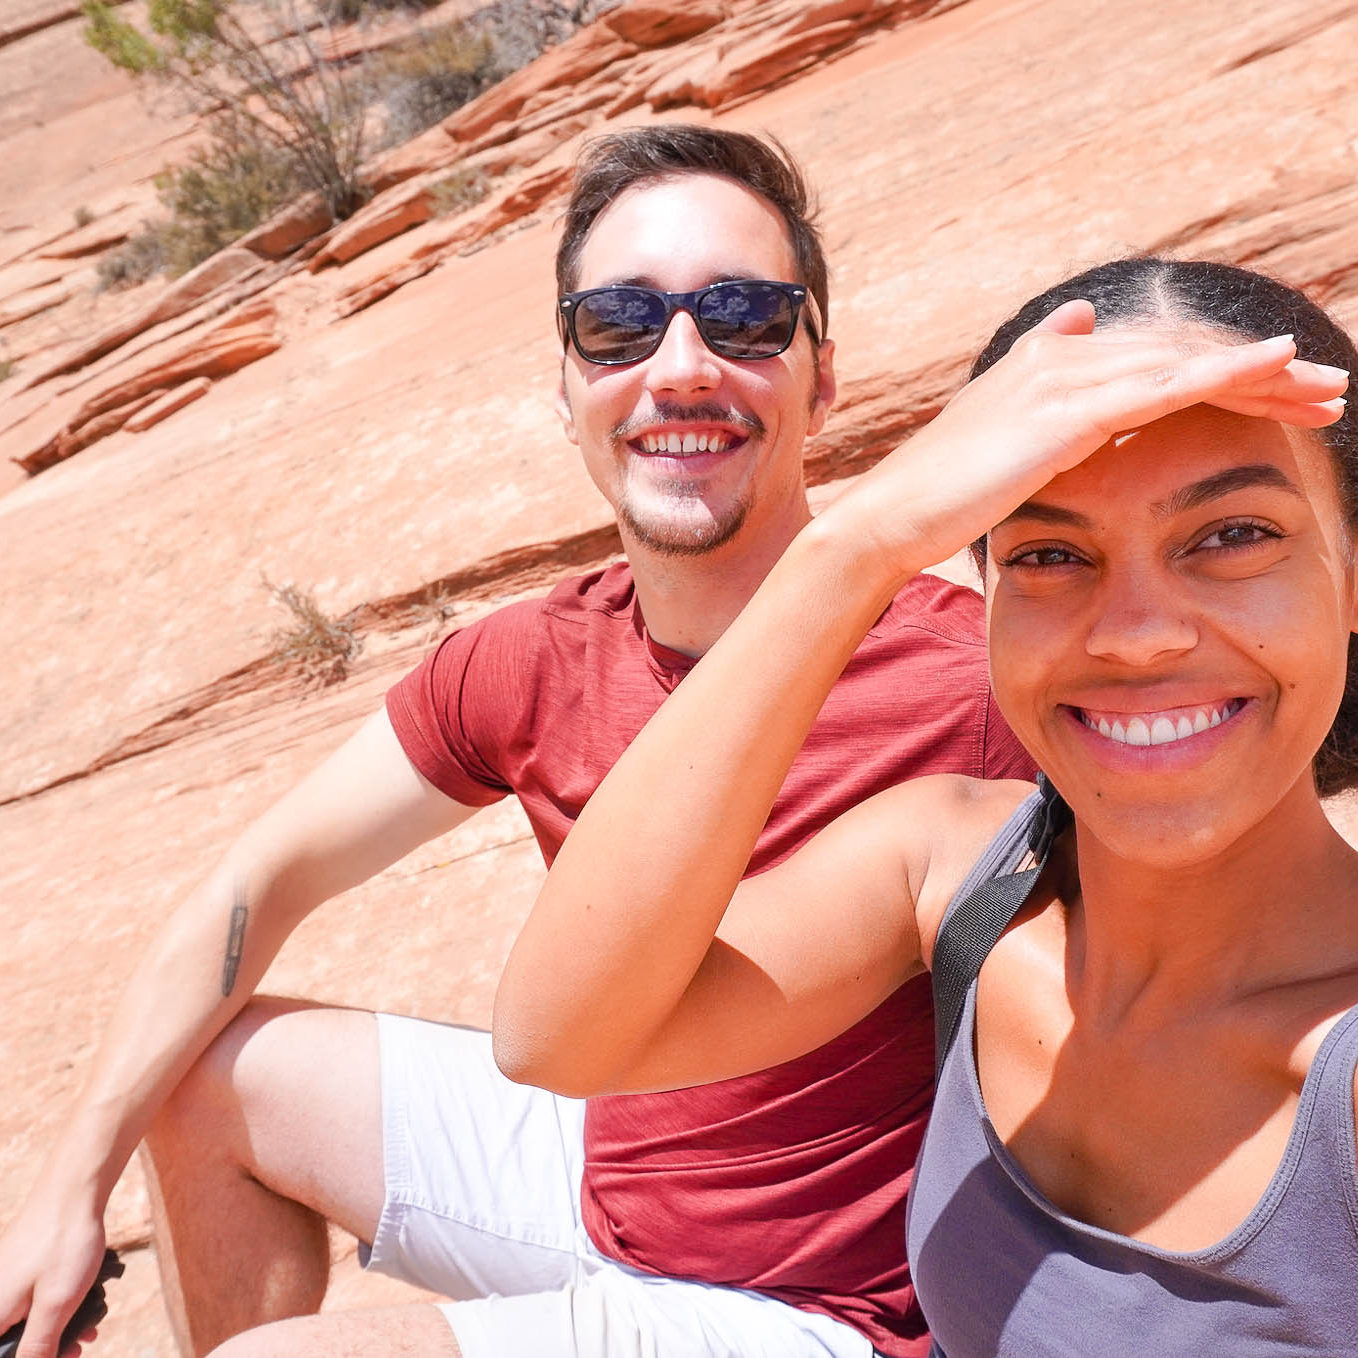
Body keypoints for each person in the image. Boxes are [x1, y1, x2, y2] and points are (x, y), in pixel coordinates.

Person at [0, 125, 1033, 1358]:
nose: (683, 366)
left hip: (823, 1311)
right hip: (606, 1178)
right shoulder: (537, 657)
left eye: (747, 315)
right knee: (208, 1069)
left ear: (823, 377)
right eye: (619, 322)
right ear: (563, 386)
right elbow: (255, 880)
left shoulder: (971, 680)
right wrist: (66, 1185)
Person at [493, 256, 1358, 1354]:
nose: (1137, 631)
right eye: (1047, 551)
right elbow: (555, 1034)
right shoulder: (959, 872)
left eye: (1232, 534)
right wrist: (857, 544)